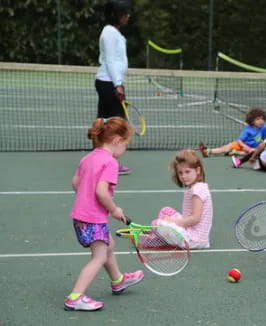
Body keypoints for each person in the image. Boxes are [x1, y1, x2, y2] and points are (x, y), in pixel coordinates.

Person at [65, 117, 143, 311]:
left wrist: (85, 201)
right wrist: (114, 209)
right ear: (117, 141)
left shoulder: (88, 157)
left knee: (109, 244)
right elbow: (101, 191)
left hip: (80, 216)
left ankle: (118, 280)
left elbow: (75, 183)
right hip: (93, 218)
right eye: (125, 145)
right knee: (99, 256)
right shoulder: (110, 163)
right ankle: (75, 297)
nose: (125, 150)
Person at [95, 0, 132, 175]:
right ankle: (110, 163)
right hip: (108, 83)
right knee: (115, 126)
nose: (128, 16)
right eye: (125, 13)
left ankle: (99, 161)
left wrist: (118, 83)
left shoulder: (114, 33)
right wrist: (118, 85)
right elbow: (110, 60)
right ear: (118, 15)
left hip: (109, 82)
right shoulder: (109, 33)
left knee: (102, 123)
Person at [151, 149, 213, 249]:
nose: (184, 176)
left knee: (156, 224)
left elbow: (195, 219)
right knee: (165, 211)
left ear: (198, 170)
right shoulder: (196, 187)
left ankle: (159, 239)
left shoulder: (197, 190)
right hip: (191, 231)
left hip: (195, 240)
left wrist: (172, 221)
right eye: (180, 173)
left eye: (187, 172)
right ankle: (163, 237)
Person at [199, 108, 266, 157]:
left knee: (255, 152)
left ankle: (236, 153)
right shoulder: (247, 130)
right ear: (252, 121)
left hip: (253, 148)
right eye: (258, 119)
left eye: (262, 119)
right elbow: (240, 141)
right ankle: (207, 151)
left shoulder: (263, 128)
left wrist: (259, 147)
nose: (261, 121)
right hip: (241, 144)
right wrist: (246, 147)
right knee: (225, 148)